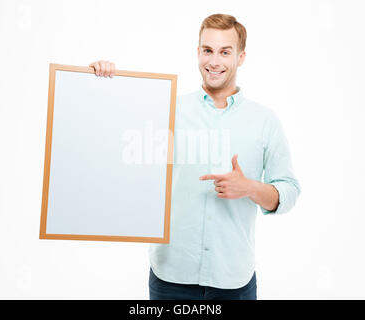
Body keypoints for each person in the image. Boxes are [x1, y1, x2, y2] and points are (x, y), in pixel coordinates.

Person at [90, 13, 301, 300]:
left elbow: (288, 191)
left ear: (240, 57)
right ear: (198, 52)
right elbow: (113, 136)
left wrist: (250, 187)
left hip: (233, 280)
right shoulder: (167, 109)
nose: (214, 61)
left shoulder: (265, 121)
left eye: (225, 52)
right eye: (207, 50)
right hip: (170, 278)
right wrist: (101, 81)